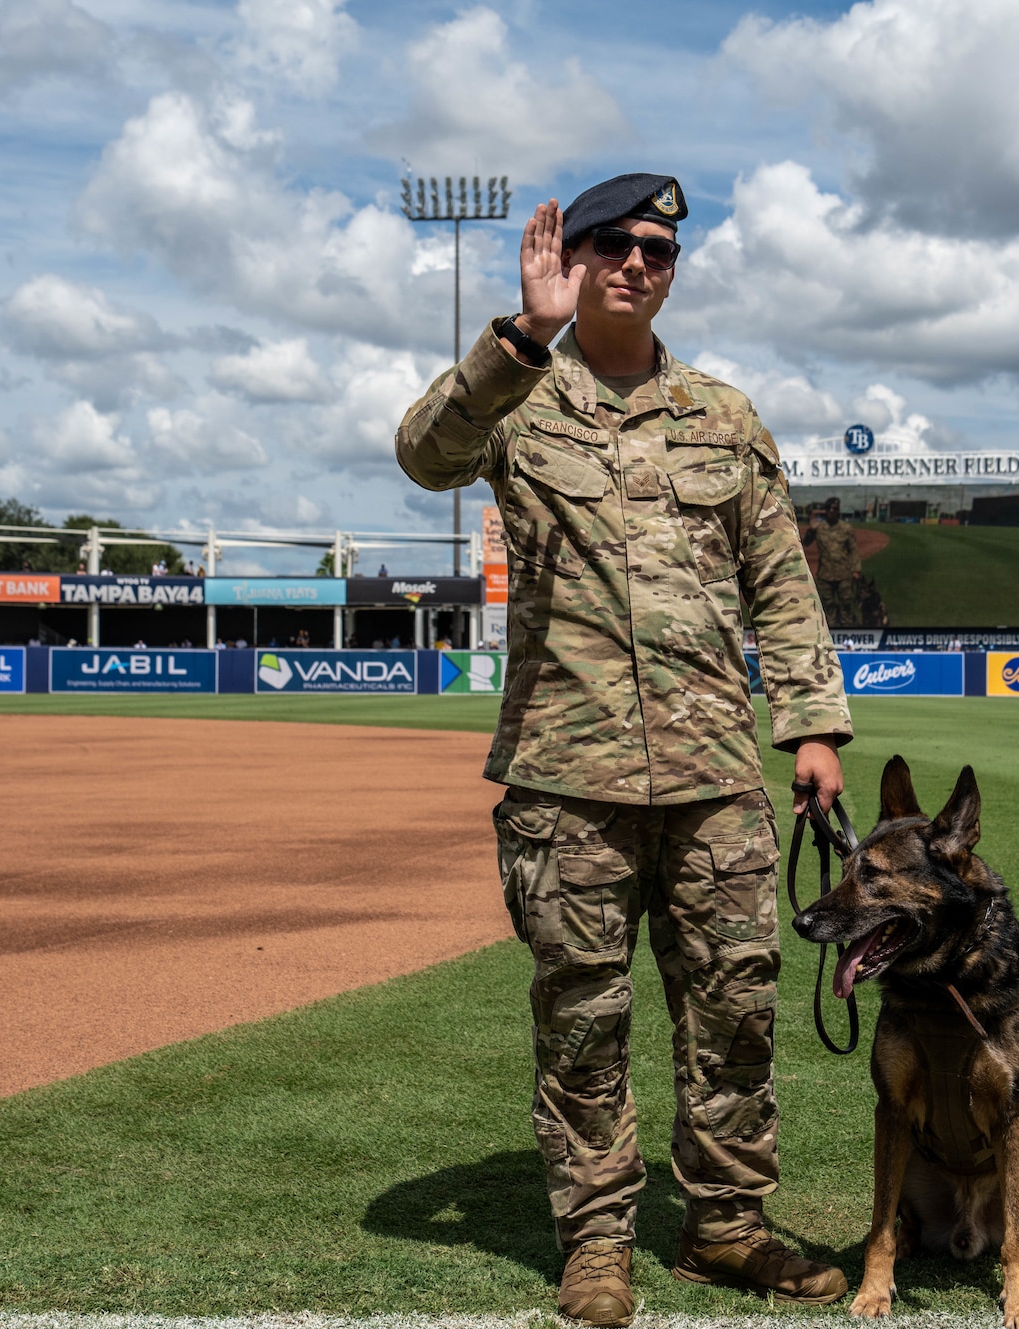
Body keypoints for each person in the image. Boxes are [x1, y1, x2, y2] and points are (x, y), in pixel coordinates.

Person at [397, 174, 852, 1327]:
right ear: (574, 257)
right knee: (583, 1018)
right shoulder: (517, 397)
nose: (636, 261)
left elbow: (780, 583)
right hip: (567, 776)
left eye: (658, 247)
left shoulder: (725, 415)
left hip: (713, 777)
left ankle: (724, 1228)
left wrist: (808, 727)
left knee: (734, 1014)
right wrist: (522, 334)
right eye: (612, 242)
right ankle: (594, 1242)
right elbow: (424, 455)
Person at [806, 497, 861, 628]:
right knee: (828, 606)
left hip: (844, 574)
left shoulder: (846, 528)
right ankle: (832, 635)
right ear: (825, 510)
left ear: (838, 510)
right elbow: (806, 542)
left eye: (835, 509)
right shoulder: (819, 527)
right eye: (829, 508)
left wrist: (856, 570)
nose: (831, 511)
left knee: (846, 605)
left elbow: (853, 550)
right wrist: (811, 529)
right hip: (825, 575)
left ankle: (847, 633)